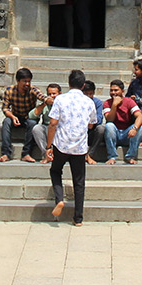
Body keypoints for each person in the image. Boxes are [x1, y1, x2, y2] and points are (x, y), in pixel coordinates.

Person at [47, 69, 95, 225]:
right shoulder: (89, 101)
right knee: (79, 181)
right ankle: (78, 218)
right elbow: (91, 123)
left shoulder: (60, 99)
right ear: (83, 85)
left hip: (61, 144)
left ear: (68, 84)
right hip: (79, 147)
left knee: (55, 171)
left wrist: (49, 146)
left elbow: (53, 123)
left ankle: (60, 198)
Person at [0, 67, 39, 162]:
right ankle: (6, 153)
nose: (27, 84)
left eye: (29, 81)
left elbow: (41, 96)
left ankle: (26, 153)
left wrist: (47, 100)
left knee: (32, 124)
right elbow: (5, 108)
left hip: (28, 118)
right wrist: (12, 117)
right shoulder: (9, 90)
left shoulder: (32, 90)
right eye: (24, 81)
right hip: (15, 116)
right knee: (6, 122)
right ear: (18, 81)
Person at [101, 80, 142, 164]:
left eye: (116, 90)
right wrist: (114, 105)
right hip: (114, 133)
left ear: (122, 91)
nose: (113, 93)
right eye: (111, 90)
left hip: (127, 134)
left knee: (140, 127)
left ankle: (130, 156)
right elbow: (109, 119)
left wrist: (135, 129)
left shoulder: (129, 102)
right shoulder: (107, 103)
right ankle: (112, 156)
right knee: (109, 126)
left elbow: (140, 116)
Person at [29, 83, 62, 164]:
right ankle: (46, 154)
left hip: (59, 131)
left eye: (54, 94)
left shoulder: (64, 104)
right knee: (36, 128)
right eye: (49, 94)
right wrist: (44, 104)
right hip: (47, 128)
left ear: (59, 94)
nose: (52, 96)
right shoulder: (45, 106)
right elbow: (31, 115)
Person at [81, 80, 106, 164]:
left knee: (101, 129)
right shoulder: (78, 103)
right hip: (79, 130)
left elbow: (99, 118)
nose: (88, 96)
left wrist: (91, 120)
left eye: (90, 94)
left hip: (91, 131)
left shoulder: (97, 103)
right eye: (86, 94)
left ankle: (90, 155)